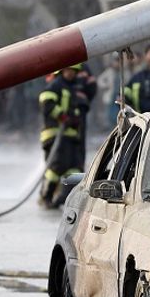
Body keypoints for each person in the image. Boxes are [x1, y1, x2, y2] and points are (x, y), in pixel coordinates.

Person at [38, 65, 90, 208]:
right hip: (55, 134)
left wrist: (75, 119)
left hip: (70, 135)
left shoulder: (73, 87)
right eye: (68, 70)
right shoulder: (56, 84)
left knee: (74, 167)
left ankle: (64, 198)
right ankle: (46, 196)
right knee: (57, 166)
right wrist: (62, 116)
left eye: (73, 71)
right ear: (62, 71)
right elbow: (46, 101)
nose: (71, 73)